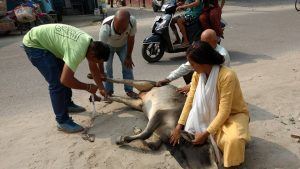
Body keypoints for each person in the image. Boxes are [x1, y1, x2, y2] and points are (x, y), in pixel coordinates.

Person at [169, 41, 250, 168]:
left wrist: (206, 134)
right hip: (209, 116)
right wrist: (179, 127)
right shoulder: (197, 75)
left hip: (233, 115)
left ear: (203, 61)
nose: (191, 67)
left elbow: (225, 111)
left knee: (233, 141)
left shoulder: (227, 75)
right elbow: (190, 101)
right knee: (191, 138)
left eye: (193, 64)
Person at [23, 24, 110, 133]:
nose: (97, 64)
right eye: (98, 61)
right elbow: (65, 80)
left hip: (46, 40)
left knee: (63, 73)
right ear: (93, 55)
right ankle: (62, 121)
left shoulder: (91, 45)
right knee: (57, 83)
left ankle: (67, 104)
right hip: (35, 45)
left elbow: (94, 69)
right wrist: (88, 87)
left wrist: (101, 88)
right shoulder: (77, 51)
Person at [157, 29, 230, 94]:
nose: (202, 45)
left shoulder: (222, 56)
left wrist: (191, 86)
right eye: (202, 42)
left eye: (205, 43)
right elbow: (186, 67)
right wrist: (168, 79)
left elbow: (215, 77)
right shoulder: (202, 51)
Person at [98, 9, 139, 98]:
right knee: (107, 69)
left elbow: (131, 39)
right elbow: (100, 53)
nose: (120, 30)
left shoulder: (132, 21)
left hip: (123, 45)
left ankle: (129, 90)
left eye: (123, 28)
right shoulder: (105, 28)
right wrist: (101, 72)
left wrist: (129, 56)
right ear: (114, 21)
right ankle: (108, 91)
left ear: (128, 22)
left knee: (127, 67)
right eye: (118, 27)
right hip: (107, 47)